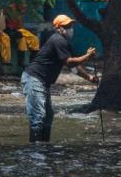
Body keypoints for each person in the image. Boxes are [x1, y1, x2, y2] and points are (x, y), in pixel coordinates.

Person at [21, 15, 97, 143]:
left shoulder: (63, 43)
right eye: (67, 26)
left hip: (42, 82)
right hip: (34, 78)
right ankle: (34, 151)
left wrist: (89, 77)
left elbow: (74, 68)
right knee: (38, 116)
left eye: (71, 26)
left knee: (48, 117)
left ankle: (45, 148)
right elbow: (70, 62)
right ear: (59, 28)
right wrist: (87, 56)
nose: (70, 29)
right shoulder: (58, 40)